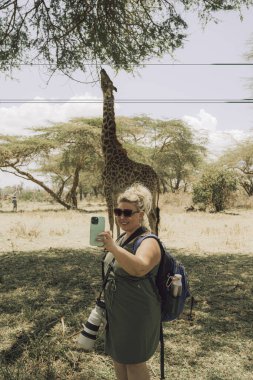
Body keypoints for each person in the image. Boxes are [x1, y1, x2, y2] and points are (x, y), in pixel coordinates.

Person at [99, 183, 161, 380]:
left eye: (128, 213)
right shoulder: (122, 238)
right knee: (119, 358)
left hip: (137, 313)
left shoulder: (148, 240)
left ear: (141, 215)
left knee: (134, 362)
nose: (121, 217)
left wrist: (114, 249)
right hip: (117, 312)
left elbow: (140, 267)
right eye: (118, 211)